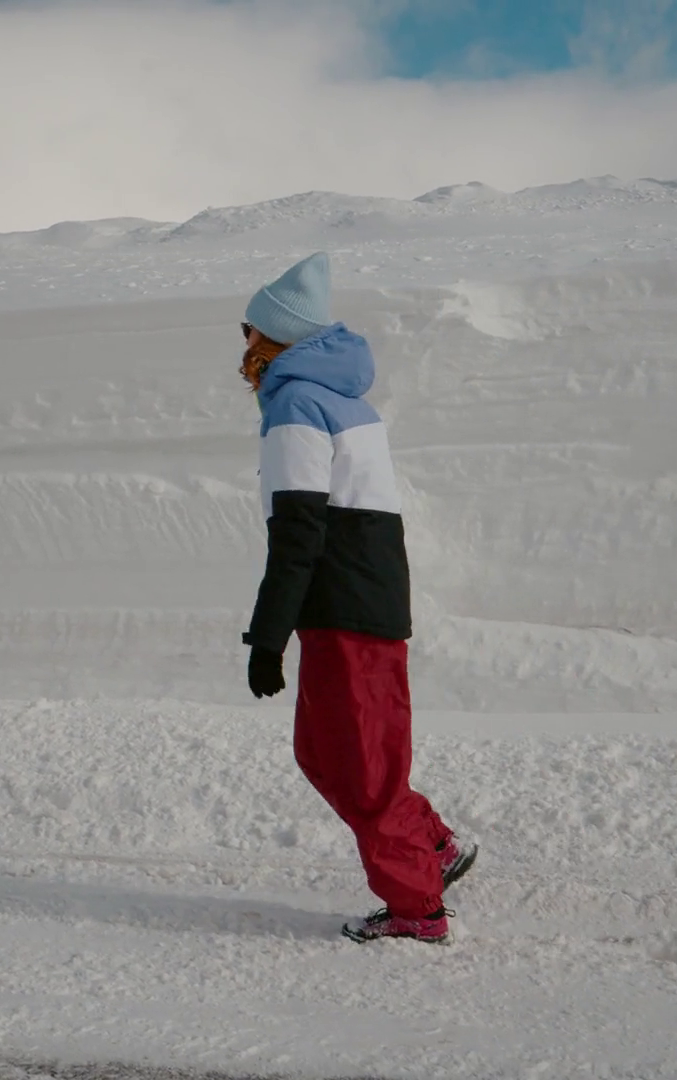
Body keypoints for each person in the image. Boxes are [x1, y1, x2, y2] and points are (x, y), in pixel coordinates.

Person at [237, 252, 476, 945]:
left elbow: (298, 530)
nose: (243, 344)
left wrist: (267, 637)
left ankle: (416, 908)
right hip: (362, 602)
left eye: (249, 330)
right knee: (327, 750)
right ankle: (431, 845)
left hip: (345, 607)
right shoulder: (344, 400)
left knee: (359, 765)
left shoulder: (297, 404)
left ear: (275, 337)